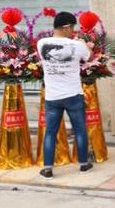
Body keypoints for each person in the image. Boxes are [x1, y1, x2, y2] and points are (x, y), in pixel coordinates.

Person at [37, 11, 94, 179]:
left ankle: (47, 169)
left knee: (50, 132)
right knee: (80, 130)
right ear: (67, 27)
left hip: (52, 97)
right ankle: (84, 164)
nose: (74, 32)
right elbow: (90, 58)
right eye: (72, 28)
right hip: (73, 95)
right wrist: (83, 43)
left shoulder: (41, 43)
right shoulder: (77, 45)